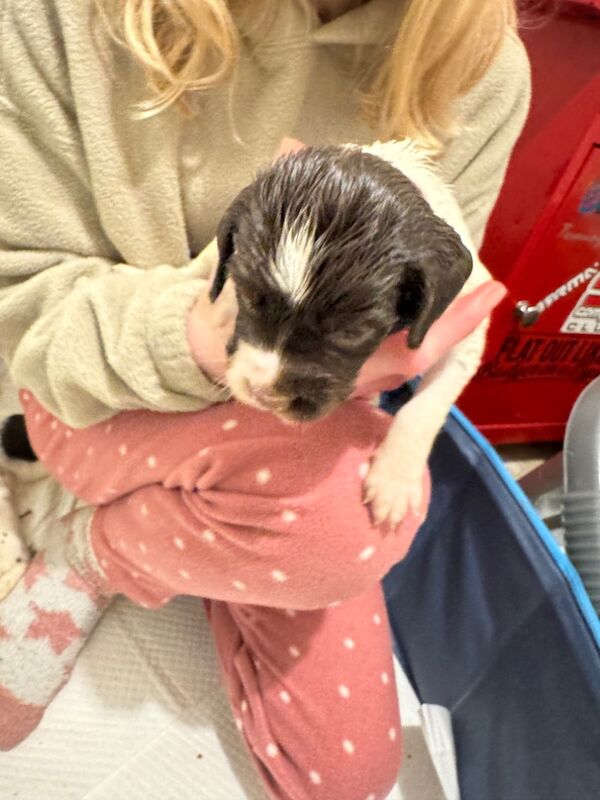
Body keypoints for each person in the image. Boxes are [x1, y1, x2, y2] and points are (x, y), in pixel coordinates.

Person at [0, 1, 530, 798]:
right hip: (95, 388)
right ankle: (96, 555)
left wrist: (397, 404)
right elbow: (22, 303)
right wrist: (195, 333)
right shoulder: (54, 17)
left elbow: (446, 336)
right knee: (348, 524)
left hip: (287, 447)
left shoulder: (481, 68)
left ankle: (209, 538)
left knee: (349, 777)